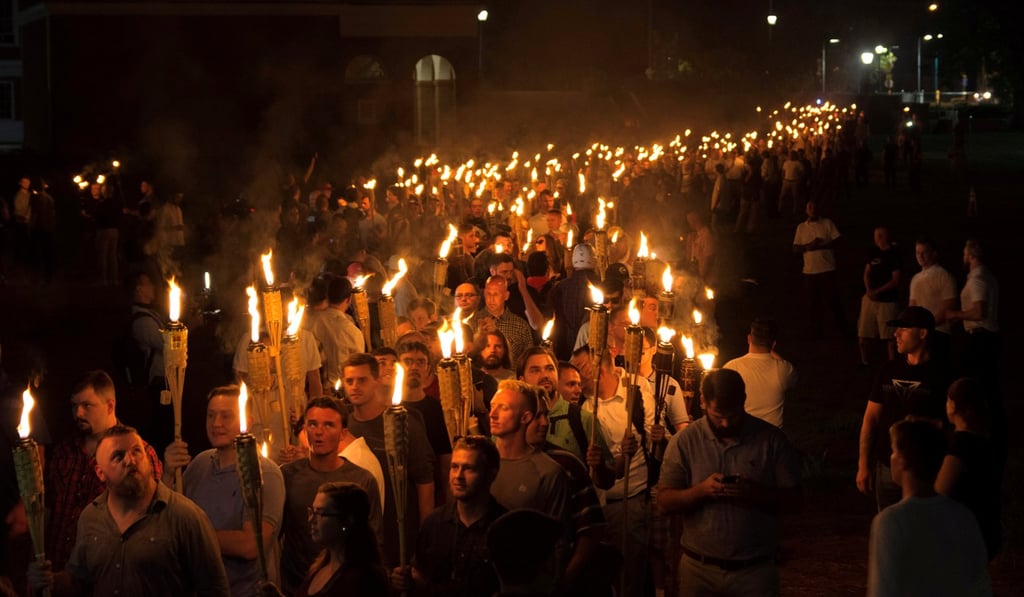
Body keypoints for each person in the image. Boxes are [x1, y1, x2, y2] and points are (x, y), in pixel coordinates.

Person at [28, 425, 230, 597]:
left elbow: (215, 590)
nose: (130, 460)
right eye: (118, 456)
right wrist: (49, 580)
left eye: (136, 451)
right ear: (100, 473)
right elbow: (78, 580)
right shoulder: (91, 517)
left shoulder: (185, 517)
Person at [658, 369, 801, 596]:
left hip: (754, 571)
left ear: (743, 401)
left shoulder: (771, 440)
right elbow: (664, 501)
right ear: (703, 402)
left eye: (732, 415)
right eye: (718, 415)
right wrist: (701, 491)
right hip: (699, 570)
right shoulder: (685, 442)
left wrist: (756, 493)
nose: (725, 423)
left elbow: (795, 500)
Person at [164, 385, 285, 597]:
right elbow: (167, 518)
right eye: (211, 416)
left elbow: (250, 545)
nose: (216, 423)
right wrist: (167, 474)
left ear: (247, 422)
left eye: (226, 416)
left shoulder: (265, 473)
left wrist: (191, 538)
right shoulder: (199, 464)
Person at [43, 370, 164, 571]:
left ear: (110, 406)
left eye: (86, 405)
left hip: (104, 570)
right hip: (57, 567)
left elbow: (151, 519)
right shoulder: (65, 451)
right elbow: (50, 507)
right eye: (74, 406)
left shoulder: (138, 455)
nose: (78, 413)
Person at [867, 418, 991, 597]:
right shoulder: (963, 516)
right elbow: (980, 583)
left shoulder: (891, 522)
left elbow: (883, 590)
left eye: (893, 451)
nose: (890, 457)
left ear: (903, 461)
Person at [278, 397, 382, 594]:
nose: (319, 432)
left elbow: (373, 539)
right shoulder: (287, 476)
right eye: (313, 424)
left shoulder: (361, 480)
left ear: (342, 433)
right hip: (296, 585)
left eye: (328, 425)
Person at [342, 353, 435, 569]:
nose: (355, 386)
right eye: (349, 381)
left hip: (399, 534)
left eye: (362, 380)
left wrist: (423, 537)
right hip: (360, 539)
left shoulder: (402, 423)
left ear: (377, 380)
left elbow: (424, 481)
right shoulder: (343, 426)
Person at [581, 350, 660, 597]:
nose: (577, 374)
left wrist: (658, 439)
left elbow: (658, 443)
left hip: (629, 503)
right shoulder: (582, 406)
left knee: (629, 576)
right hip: (595, 508)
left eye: (581, 368)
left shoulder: (635, 397)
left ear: (599, 371)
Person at [857, 307, 950, 511]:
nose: (896, 334)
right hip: (887, 465)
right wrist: (864, 464)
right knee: (891, 524)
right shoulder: (889, 370)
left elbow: (950, 423)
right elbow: (871, 418)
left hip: (925, 469)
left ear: (923, 333)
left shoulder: (942, 375)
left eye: (903, 329)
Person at [390, 436, 507, 597]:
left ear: (491, 474)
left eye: (469, 468)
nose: (458, 476)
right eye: (454, 466)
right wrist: (405, 579)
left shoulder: (504, 529)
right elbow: (418, 572)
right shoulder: (434, 523)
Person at [936, 378, 1002, 560]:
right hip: (984, 531)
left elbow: (941, 491)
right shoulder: (984, 441)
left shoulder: (961, 446)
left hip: (960, 536)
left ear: (953, 405)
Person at [290, 482, 389, 597]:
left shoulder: (364, 577)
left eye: (320, 513)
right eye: (312, 511)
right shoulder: (319, 568)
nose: (311, 519)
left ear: (347, 520)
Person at [489, 379, 568, 518]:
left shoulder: (547, 472)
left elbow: (556, 533)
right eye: (493, 406)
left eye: (504, 408)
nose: (493, 414)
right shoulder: (481, 463)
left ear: (525, 417)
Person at [396, 341, 452, 503]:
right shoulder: (391, 409)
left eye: (420, 362)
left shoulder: (436, 410)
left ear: (428, 369)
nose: (414, 367)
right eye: (408, 361)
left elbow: (445, 462)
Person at [947, 239, 1000, 399]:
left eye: (964, 253)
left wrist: (955, 314)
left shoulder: (978, 279)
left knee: (979, 386)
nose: (963, 257)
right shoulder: (986, 276)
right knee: (987, 385)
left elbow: (978, 312)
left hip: (980, 338)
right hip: (985, 338)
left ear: (971, 256)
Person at [723, 318, 797, 428]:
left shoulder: (731, 367)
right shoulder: (784, 369)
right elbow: (793, 382)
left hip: (742, 435)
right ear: (773, 344)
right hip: (773, 438)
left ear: (749, 339)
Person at [792, 200, 846, 339]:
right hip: (810, 271)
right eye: (810, 207)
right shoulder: (801, 228)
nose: (812, 209)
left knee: (833, 300)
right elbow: (796, 248)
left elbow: (838, 240)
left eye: (815, 206)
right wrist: (810, 245)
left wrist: (821, 245)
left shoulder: (827, 223)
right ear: (806, 210)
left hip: (827, 269)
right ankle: (815, 331)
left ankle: (841, 328)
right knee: (813, 303)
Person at [307, 275, 365, 386]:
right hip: (342, 388)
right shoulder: (352, 332)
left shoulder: (310, 320)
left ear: (327, 297)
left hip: (313, 387)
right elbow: (359, 365)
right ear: (348, 300)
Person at [858, 226, 902, 366]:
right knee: (864, 332)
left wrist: (877, 292)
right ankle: (865, 362)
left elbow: (895, 280)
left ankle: (892, 364)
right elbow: (866, 272)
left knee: (889, 336)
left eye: (878, 235)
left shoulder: (893, 255)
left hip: (887, 301)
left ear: (884, 236)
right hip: (870, 299)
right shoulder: (872, 253)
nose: (876, 238)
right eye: (875, 235)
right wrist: (869, 290)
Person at [908, 237, 956, 362]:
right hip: (919, 335)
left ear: (933, 253)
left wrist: (926, 327)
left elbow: (948, 307)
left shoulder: (944, 276)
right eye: (917, 252)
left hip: (939, 333)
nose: (920, 256)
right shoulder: (915, 279)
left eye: (924, 252)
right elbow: (912, 307)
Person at [479, 275, 535, 365]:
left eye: (496, 294)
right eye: (489, 294)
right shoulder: (474, 322)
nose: (491, 299)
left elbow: (528, 359)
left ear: (506, 295)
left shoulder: (520, 325)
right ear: (484, 293)